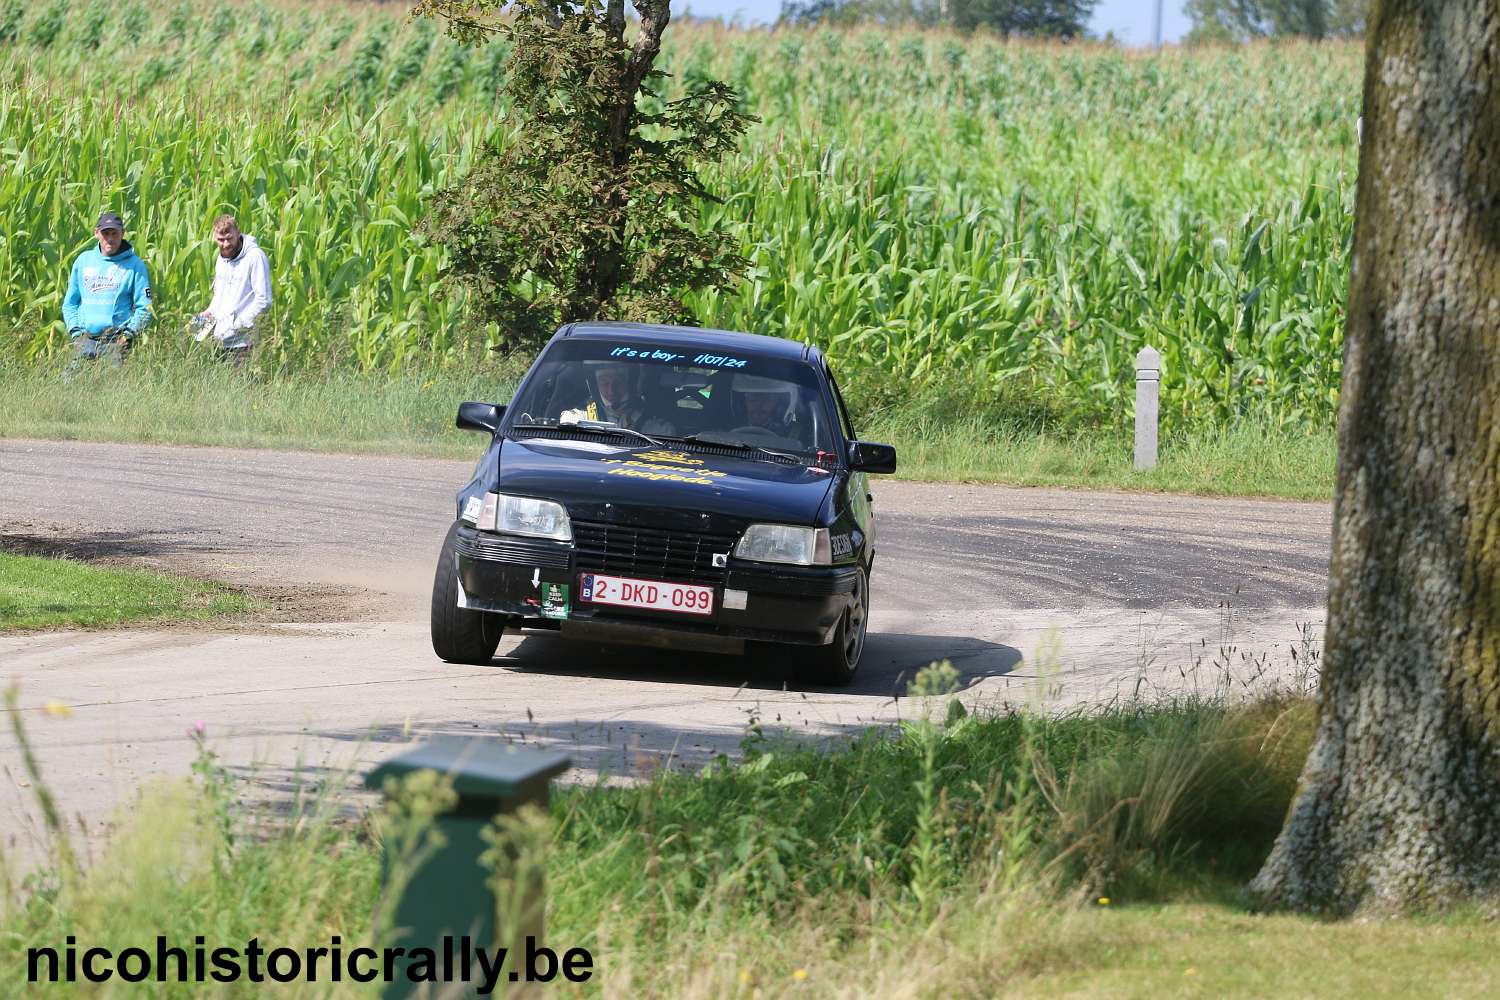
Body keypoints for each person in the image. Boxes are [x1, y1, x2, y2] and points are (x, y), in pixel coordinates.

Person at [62, 211, 153, 375]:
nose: (110, 239)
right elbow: (70, 303)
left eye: (114, 233)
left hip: (116, 342)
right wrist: (76, 333)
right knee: (70, 388)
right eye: (105, 233)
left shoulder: (135, 265)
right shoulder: (83, 261)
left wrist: (127, 336)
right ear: (96, 233)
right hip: (85, 340)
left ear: (122, 234)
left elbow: (145, 307)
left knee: (112, 394)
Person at [191, 214, 271, 366]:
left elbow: (263, 302)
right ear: (214, 237)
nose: (226, 244)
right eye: (221, 240)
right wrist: (201, 319)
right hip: (219, 341)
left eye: (229, 238)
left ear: (238, 233)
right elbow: (219, 300)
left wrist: (236, 325)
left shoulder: (255, 257)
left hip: (243, 344)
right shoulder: (222, 259)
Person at [731, 373, 798, 439]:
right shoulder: (725, 428)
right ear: (742, 403)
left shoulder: (796, 436)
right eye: (752, 397)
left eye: (768, 398)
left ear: (780, 406)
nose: (758, 405)